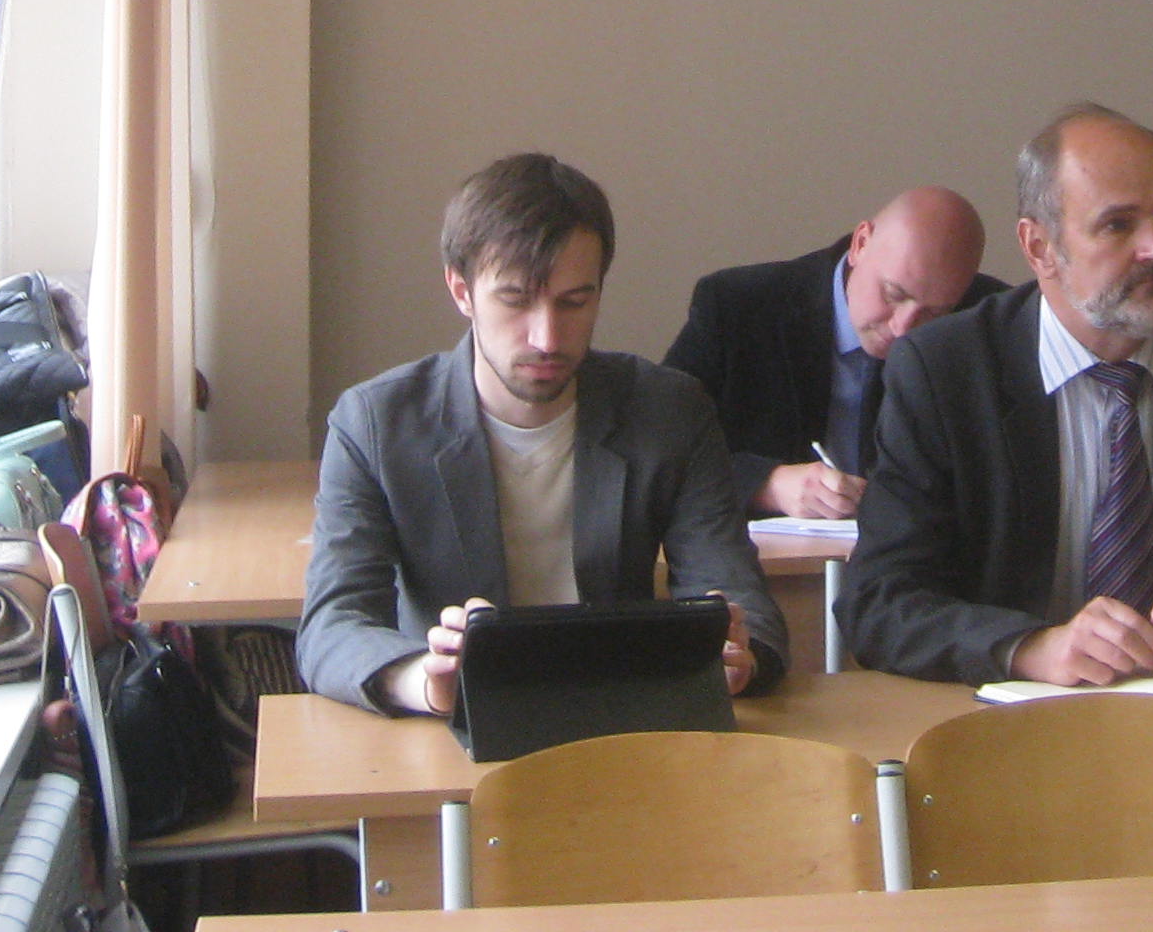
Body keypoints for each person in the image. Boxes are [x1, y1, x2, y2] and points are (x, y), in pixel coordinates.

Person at [839, 106, 1153, 687]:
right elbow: (879, 601)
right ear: (1039, 247)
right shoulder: (946, 369)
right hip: (1016, 716)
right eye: (1118, 225)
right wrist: (1031, 647)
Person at [298, 151, 787, 714]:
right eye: (515, 300)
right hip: (454, 725)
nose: (547, 337)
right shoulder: (375, 423)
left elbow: (737, 592)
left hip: (622, 711)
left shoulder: (669, 410)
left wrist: (737, 654)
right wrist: (424, 680)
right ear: (461, 291)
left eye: (574, 302)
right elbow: (332, 626)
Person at [663, 186, 997, 519]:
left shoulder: (985, 322)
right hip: (767, 550)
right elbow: (662, 446)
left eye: (934, 313)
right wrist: (767, 484)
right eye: (893, 294)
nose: (902, 328)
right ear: (861, 244)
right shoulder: (738, 306)